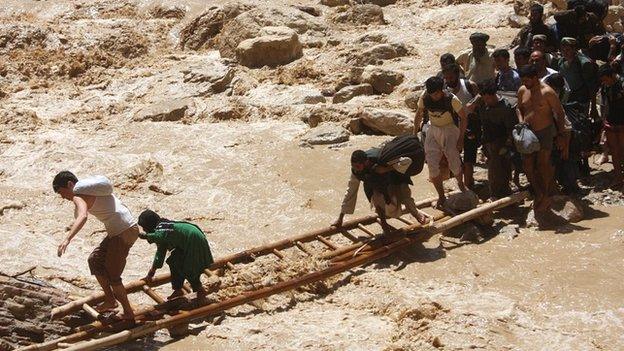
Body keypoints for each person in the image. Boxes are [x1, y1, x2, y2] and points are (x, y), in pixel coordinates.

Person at [53, 172, 138, 321]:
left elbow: (83, 216)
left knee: (113, 276)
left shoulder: (78, 195)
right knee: (95, 260)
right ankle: (111, 300)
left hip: (123, 232)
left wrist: (67, 239)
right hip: (122, 231)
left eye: (61, 192)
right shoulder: (91, 190)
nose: (62, 197)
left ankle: (128, 312)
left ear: (69, 185)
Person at [333, 136, 432, 233]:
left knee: (405, 197)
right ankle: (384, 225)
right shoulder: (357, 171)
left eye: (357, 166)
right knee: (376, 198)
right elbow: (350, 192)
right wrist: (340, 218)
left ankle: (416, 214)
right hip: (374, 182)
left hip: (395, 176)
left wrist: (386, 169)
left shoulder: (382, 158)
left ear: (366, 162)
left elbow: (407, 161)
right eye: (353, 166)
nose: (355, 169)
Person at [516, 65, 567, 212]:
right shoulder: (522, 90)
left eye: (527, 80)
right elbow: (519, 108)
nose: (525, 83)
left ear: (534, 78)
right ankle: (539, 192)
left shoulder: (548, 92)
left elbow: (559, 113)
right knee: (527, 165)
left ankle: (545, 195)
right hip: (527, 133)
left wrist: (561, 135)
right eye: (523, 80)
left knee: (543, 164)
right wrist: (520, 120)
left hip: (544, 131)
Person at [414, 76, 468, 208]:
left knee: (453, 159)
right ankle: (441, 196)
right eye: (431, 94)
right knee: (431, 164)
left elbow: (463, 118)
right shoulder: (425, 96)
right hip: (433, 129)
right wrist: (414, 133)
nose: (433, 96)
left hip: (450, 129)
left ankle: (462, 187)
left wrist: (460, 139)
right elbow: (419, 113)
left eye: (436, 94)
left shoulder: (452, 99)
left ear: (441, 91)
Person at [138, 210, 214, 300]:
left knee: (190, 269)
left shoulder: (163, 228)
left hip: (193, 240)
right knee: (174, 261)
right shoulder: (163, 229)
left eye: (144, 227)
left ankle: (200, 292)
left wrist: (145, 236)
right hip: (187, 243)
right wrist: (151, 273)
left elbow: (158, 236)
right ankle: (178, 289)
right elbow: (160, 253)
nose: (144, 230)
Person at [467, 79, 518, 199]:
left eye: (488, 98)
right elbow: (474, 114)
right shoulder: (481, 103)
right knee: (496, 167)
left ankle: (497, 194)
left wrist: (507, 145)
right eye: (484, 98)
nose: (486, 101)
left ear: (494, 95)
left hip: (501, 140)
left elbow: (511, 129)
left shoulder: (505, 107)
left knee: (498, 168)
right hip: (488, 140)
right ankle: (501, 192)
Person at [442, 63, 479, 189]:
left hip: (470, 127)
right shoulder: (444, 90)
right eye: (446, 78)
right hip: (452, 128)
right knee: (454, 158)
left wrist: (474, 104)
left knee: (469, 159)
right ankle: (463, 185)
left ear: (458, 75)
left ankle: (468, 186)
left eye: (451, 78)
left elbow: (480, 98)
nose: (448, 81)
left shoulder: (469, 85)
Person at [598, 64, 624, 189]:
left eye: (605, 79)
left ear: (612, 76)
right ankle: (618, 178)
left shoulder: (622, 85)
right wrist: (603, 121)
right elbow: (604, 105)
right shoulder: (605, 87)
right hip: (611, 121)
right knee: (614, 151)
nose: (604, 82)